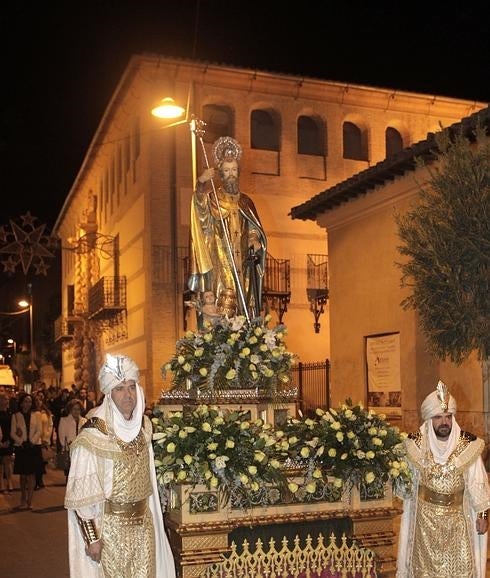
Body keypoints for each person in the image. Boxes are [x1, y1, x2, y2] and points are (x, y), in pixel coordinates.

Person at [64, 353, 176, 578]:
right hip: (110, 530)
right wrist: (92, 538)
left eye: (132, 387)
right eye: (120, 388)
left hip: (144, 527)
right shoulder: (94, 432)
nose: (128, 395)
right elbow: (80, 494)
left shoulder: (144, 427)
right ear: (109, 393)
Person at [396, 380, 490, 577]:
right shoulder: (414, 445)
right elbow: (405, 484)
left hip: (457, 524)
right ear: (429, 420)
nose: (444, 422)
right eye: (438, 417)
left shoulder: (468, 446)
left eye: (448, 417)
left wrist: (482, 514)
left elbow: (477, 481)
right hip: (424, 524)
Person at [188, 136, 267, 320]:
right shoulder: (213, 199)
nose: (231, 173)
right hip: (221, 261)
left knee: (244, 303)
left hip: (244, 264)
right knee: (223, 303)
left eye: (233, 170)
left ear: (238, 173)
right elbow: (200, 210)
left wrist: (255, 239)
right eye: (226, 170)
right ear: (221, 175)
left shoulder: (246, 201)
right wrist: (201, 183)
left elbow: (254, 227)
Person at [10, 392, 43, 510]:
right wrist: (21, 441)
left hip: (33, 447)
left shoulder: (37, 414)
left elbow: (39, 430)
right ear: (21, 403)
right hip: (22, 448)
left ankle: (30, 500)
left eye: (29, 401)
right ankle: (23, 498)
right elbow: (12, 432)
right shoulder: (16, 416)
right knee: (23, 476)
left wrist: (32, 441)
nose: (27, 404)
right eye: (25, 401)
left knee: (31, 475)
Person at [58, 399, 87, 482]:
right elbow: (62, 437)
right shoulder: (64, 420)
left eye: (78, 409)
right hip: (69, 452)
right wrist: (66, 446)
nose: (76, 411)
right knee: (70, 477)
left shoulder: (84, 421)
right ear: (70, 410)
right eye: (74, 409)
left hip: (82, 452)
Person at [0, 394, 14, 493]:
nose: (7, 401)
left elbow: (12, 427)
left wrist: (9, 440)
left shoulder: (10, 413)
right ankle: (1, 484)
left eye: (7, 399)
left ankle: (9, 482)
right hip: (0, 439)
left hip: (8, 439)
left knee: (7, 462)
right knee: (0, 464)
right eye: (5, 399)